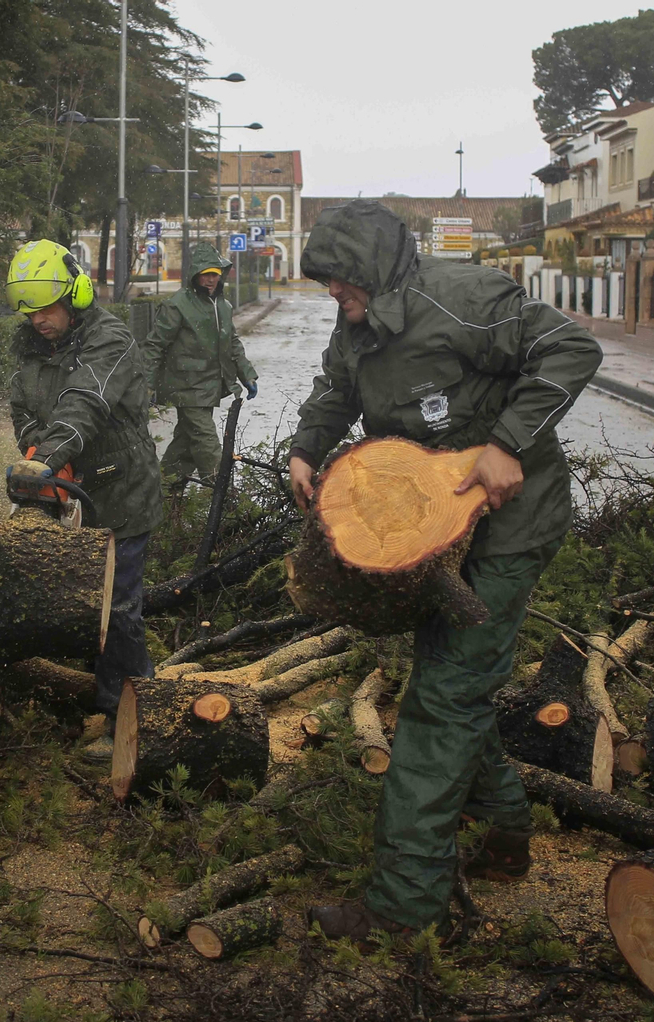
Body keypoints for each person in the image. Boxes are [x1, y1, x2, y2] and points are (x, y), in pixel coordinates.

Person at [288, 200, 603, 944]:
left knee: (439, 703)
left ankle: (402, 911)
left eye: (339, 280)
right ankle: (504, 833)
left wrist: (508, 442)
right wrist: (309, 445)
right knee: (449, 681)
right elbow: (339, 385)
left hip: (509, 528)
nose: (334, 295)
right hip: (438, 532)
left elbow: (572, 349)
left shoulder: (460, 297)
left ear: (369, 267)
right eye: (327, 284)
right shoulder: (361, 318)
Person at [5, 239, 163, 741]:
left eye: (46, 308)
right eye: (29, 312)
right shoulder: (29, 347)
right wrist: (38, 453)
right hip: (71, 491)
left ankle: (129, 721)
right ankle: (90, 694)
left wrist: (51, 459)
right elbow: (24, 410)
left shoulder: (109, 339)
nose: (38, 321)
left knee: (116, 607)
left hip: (121, 490)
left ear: (75, 293)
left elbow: (84, 402)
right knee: (75, 602)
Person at [142, 243, 258, 486]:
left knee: (184, 447)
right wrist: (147, 385)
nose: (210, 279)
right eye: (206, 274)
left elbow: (232, 343)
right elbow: (154, 345)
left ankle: (164, 495)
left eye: (215, 274)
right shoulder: (177, 305)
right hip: (186, 387)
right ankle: (225, 501)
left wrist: (247, 374)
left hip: (209, 387)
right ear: (195, 274)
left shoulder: (223, 307)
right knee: (207, 444)